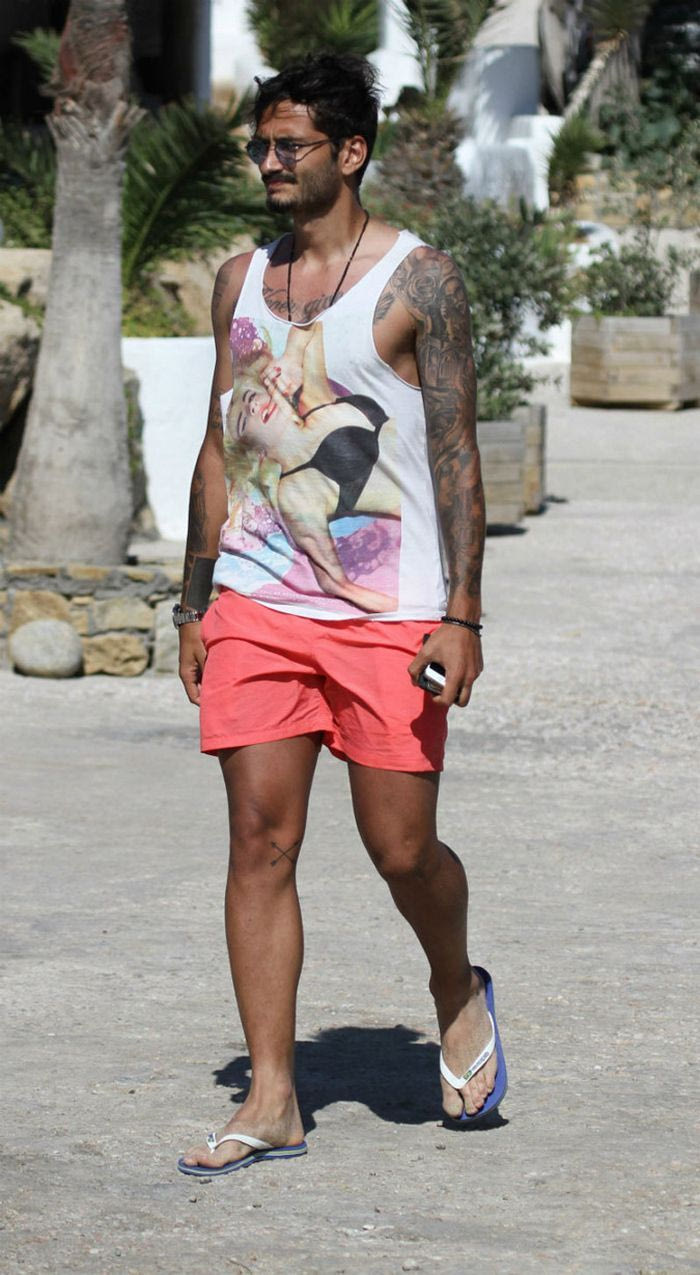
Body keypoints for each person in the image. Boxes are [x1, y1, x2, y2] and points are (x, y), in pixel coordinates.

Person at [175, 53, 507, 1178]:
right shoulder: (239, 280)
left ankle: (454, 985)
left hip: (389, 614)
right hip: (259, 601)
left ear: (350, 152)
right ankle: (273, 1095)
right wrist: (194, 601)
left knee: (400, 848)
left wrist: (463, 614)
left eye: (291, 146)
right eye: (261, 145)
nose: (269, 163)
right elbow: (218, 447)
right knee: (259, 840)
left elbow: (458, 454)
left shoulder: (421, 280)